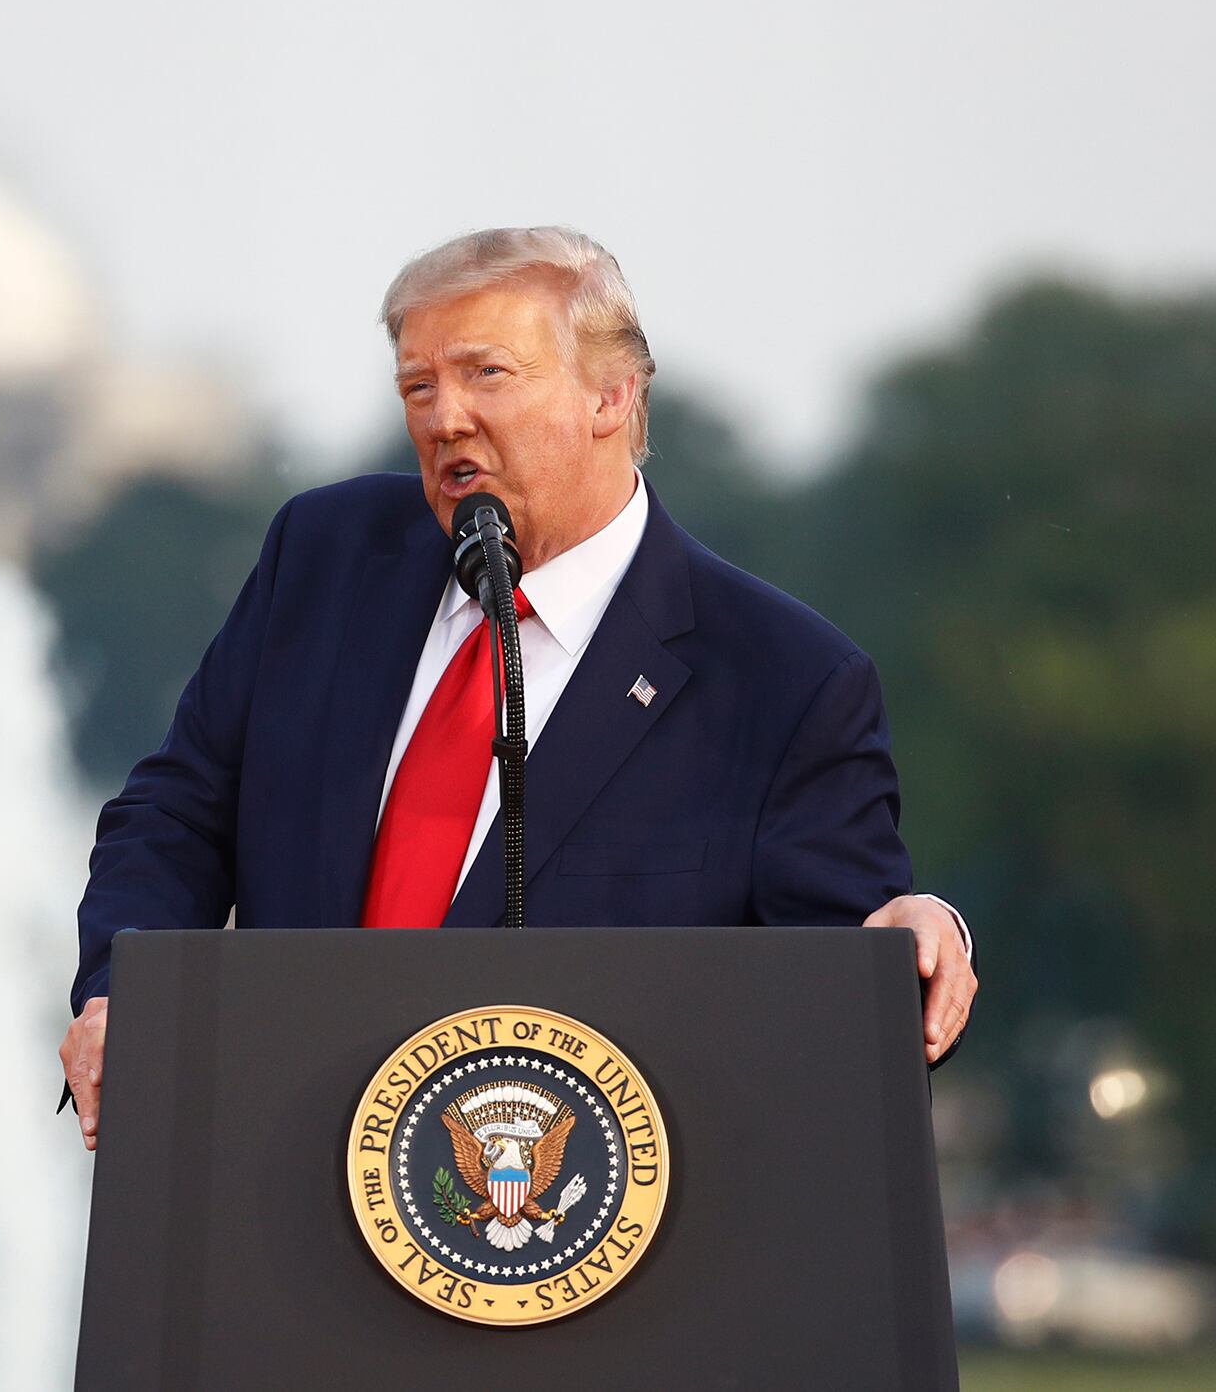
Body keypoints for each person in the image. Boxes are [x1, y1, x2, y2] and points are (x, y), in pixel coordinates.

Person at [60, 227, 978, 1151]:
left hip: (564, 1229)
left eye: (486, 374)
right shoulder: (325, 557)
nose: (443, 418)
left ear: (612, 395)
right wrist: (123, 994)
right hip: (277, 1165)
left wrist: (909, 936)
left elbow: (845, 983)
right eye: (418, 385)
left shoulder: (782, 682)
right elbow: (176, 814)